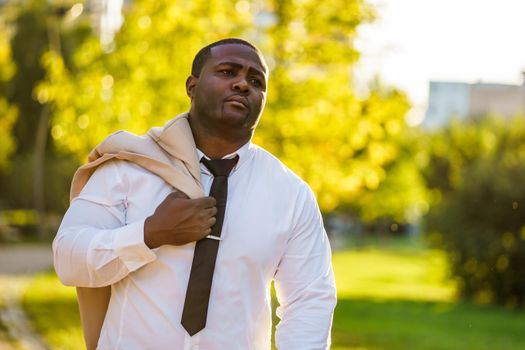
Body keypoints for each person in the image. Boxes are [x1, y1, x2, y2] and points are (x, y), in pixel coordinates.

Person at [53, 38, 336, 350]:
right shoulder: (129, 167)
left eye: (256, 81)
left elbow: (309, 300)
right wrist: (148, 234)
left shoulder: (291, 195)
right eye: (228, 72)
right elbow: (68, 258)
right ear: (192, 86)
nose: (243, 84)